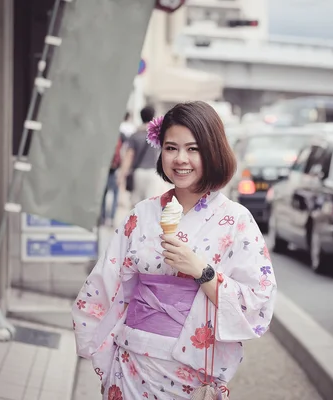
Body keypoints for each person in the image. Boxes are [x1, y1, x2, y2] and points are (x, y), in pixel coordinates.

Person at [72, 101, 277, 399]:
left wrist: (203, 272)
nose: (181, 159)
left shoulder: (236, 221)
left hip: (189, 369)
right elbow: (105, 283)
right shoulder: (142, 214)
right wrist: (95, 339)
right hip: (131, 361)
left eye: (193, 149)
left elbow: (259, 299)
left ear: (212, 152)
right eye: (171, 148)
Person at [118, 105, 171, 206]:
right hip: (154, 173)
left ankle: (136, 222)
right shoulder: (158, 135)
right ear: (153, 117)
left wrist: (122, 174)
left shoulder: (136, 135)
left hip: (138, 172)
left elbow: (129, 156)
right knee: (151, 204)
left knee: (136, 204)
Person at [100, 114, 130, 227]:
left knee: (103, 194)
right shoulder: (121, 135)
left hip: (105, 168)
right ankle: (111, 218)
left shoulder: (105, 134)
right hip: (115, 168)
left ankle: (103, 218)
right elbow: (125, 150)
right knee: (115, 193)